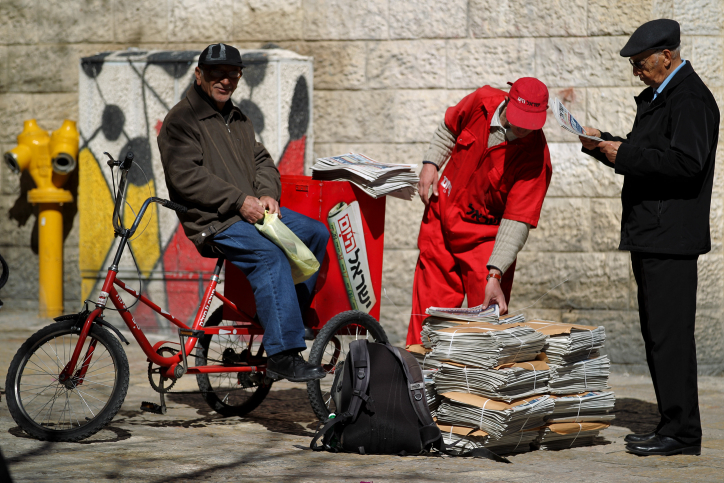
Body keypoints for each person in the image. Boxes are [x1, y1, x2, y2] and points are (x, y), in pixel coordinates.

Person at [579, 19, 719, 456]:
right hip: (654, 235)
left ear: (667, 56)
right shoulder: (665, 95)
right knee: (659, 335)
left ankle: (682, 433)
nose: (636, 71)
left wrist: (628, 153)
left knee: (670, 337)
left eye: (640, 63)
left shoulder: (690, 98)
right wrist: (606, 146)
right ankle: (670, 424)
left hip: (670, 238)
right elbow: (651, 157)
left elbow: (686, 163)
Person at [157, 43, 329, 382]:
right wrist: (239, 200)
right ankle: (283, 353)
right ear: (199, 75)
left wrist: (265, 193)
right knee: (269, 257)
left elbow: (262, 160)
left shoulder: (238, 118)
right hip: (213, 221)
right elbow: (185, 178)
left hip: (249, 213)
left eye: (232, 74)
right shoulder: (181, 120)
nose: (225, 81)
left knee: (316, 233)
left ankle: (287, 315)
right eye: (216, 74)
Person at [406, 78, 552, 345]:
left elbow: (517, 221)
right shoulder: (482, 101)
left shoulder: (536, 158)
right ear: (508, 101)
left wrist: (495, 273)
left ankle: (471, 385)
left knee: (483, 329)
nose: (522, 129)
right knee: (427, 320)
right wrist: (431, 163)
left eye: (530, 124)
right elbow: (450, 128)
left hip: (484, 243)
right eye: (519, 119)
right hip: (442, 222)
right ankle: (418, 381)